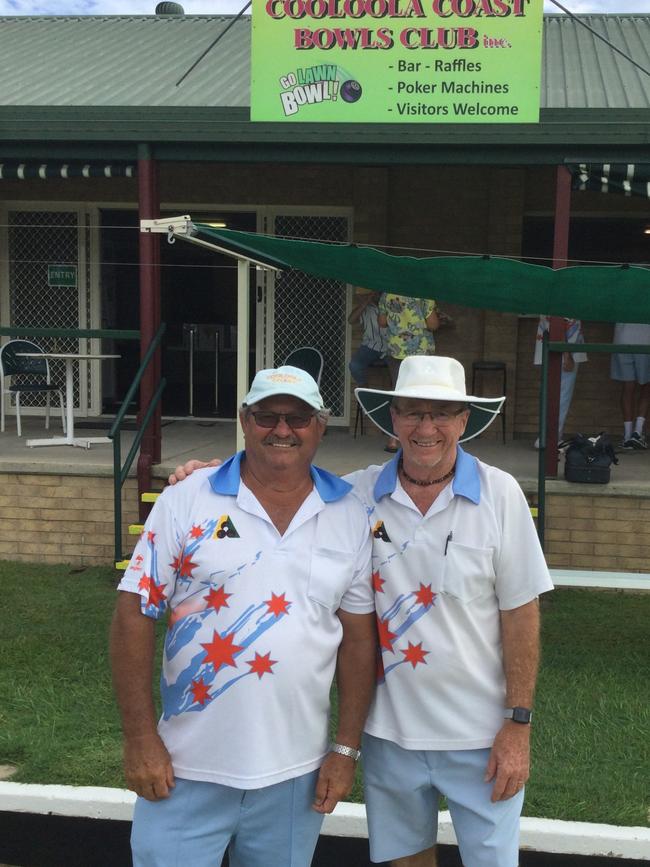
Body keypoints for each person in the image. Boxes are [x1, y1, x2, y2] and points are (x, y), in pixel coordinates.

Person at [171, 355, 553, 867]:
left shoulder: (500, 494)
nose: (426, 427)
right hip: (387, 736)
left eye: (441, 413)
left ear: (465, 421)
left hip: (482, 737)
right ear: (392, 418)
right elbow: (278, 480)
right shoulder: (354, 497)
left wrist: (518, 725)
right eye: (412, 412)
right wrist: (203, 478)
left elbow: (520, 614)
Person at [111, 365, 377, 867]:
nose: (282, 430)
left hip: (295, 778)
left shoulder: (349, 512)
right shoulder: (187, 497)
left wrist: (345, 750)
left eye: (298, 418)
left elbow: (359, 640)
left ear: (321, 425)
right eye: (266, 416)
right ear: (243, 420)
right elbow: (134, 613)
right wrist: (140, 738)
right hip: (184, 769)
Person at [378, 293, 440, 452]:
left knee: (398, 392)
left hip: (396, 351)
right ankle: (420, 434)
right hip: (420, 352)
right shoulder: (424, 295)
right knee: (421, 394)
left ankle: (393, 438)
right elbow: (433, 324)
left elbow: (382, 322)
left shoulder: (387, 294)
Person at [533, 316, 587, 448]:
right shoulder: (565, 298)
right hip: (562, 354)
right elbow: (559, 323)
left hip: (552, 351)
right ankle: (551, 439)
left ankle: (548, 437)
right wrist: (567, 355)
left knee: (553, 396)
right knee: (561, 398)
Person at [610, 322, 650, 450]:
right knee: (646, 386)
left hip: (622, 337)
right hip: (646, 338)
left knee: (628, 386)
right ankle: (637, 433)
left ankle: (627, 435)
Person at [348, 290, 389, 386]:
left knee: (397, 369)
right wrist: (365, 302)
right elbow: (351, 320)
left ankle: (395, 396)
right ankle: (364, 391)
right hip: (370, 346)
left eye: (379, 293)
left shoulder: (390, 305)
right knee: (354, 366)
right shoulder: (367, 307)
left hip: (390, 348)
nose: (377, 295)